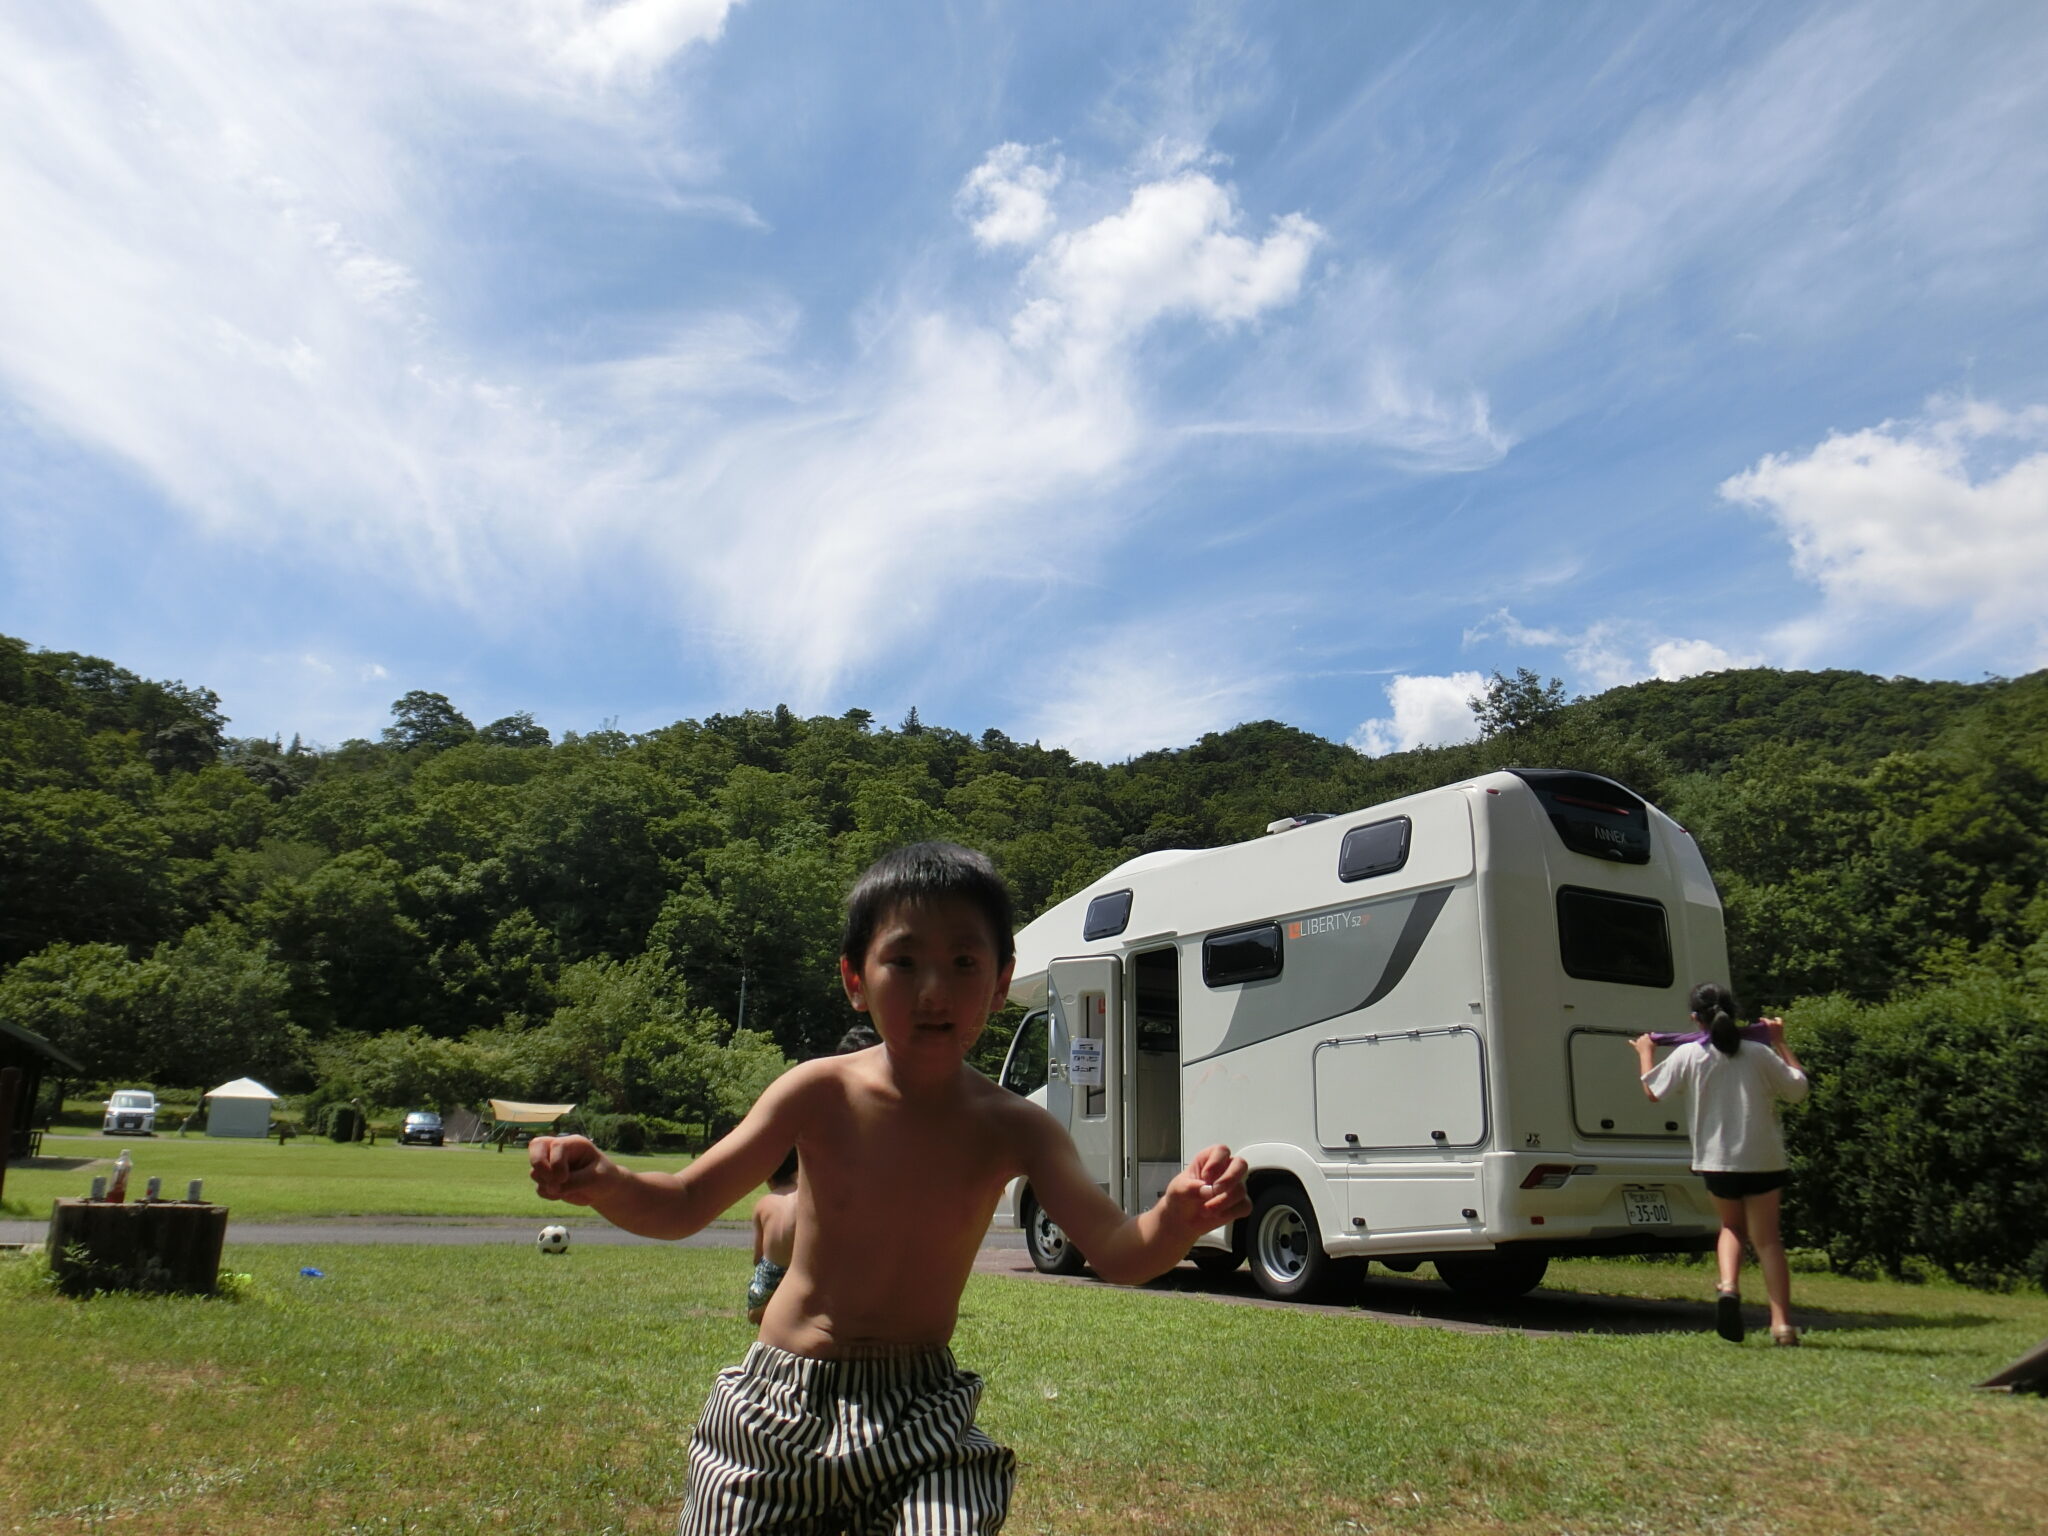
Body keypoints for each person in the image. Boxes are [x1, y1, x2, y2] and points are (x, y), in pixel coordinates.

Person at [531, 841, 1251, 1533]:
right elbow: (685, 1202)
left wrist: (1175, 1219)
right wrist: (606, 1179)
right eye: (902, 961)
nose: (933, 989)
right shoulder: (815, 1092)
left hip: (921, 1414)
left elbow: (1119, 1252)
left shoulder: (1017, 1128)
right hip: (782, 1400)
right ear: (855, 980)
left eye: (964, 962)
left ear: (1001, 982)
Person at [1633, 981, 1810, 1346]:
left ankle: (1728, 1285)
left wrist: (1644, 1051)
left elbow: (1652, 1092)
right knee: (1768, 1241)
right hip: (1763, 1160)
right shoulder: (1758, 1053)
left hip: (1716, 1161)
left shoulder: (1688, 1056)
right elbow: (1798, 1090)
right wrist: (1779, 1039)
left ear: (1694, 1019)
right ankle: (1782, 1326)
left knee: (1731, 1227)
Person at [745, 1147, 799, 1325]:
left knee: (754, 1312)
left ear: (768, 1176)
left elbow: (757, 1257)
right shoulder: (808, 1199)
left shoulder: (763, 1204)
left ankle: (765, 1308)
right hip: (801, 1272)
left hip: (772, 1274)